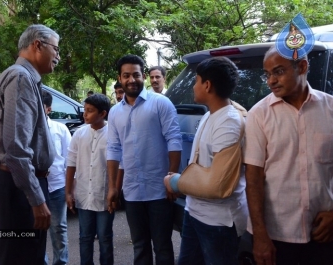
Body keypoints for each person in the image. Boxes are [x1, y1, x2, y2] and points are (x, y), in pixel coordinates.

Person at [244, 46, 333, 264]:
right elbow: (253, 179)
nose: (271, 81)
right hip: (276, 235)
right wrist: (260, 236)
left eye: (278, 71)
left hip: (323, 232)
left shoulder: (330, 109)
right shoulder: (259, 114)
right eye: (267, 74)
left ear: (302, 67)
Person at [164, 57, 248, 265]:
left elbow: (218, 184)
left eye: (196, 81)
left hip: (218, 222)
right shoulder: (211, 115)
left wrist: (176, 182)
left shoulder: (228, 122)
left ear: (207, 85)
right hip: (195, 213)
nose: (193, 86)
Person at [0, 24, 59, 265]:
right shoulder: (20, 78)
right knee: (20, 257)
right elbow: (17, 150)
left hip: (17, 183)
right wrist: (36, 199)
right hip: (20, 188)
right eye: (56, 49)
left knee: (26, 256)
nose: (58, 56)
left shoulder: (21, 77)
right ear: (38, 45)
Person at [107, 54, 182, 265]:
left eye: (136, 75)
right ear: (120, 78)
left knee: (163, 246)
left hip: (159, 190)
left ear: (143, 76)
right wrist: (113, 187)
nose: (132, 80)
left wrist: (171, 179)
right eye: (126, 75)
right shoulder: (114, 113)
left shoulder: (161, 104)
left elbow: (174, 140)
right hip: (132, 192)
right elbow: (113, 149)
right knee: (139, 246)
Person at [66, 93, 113, 265]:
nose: (85, 114)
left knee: (105, 237)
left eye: (90, 111)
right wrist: (68, 191)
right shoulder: (79, 134)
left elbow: (117, 165)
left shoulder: (112, 134)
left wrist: (115, 191)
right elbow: (71, 163)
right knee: (85, 237)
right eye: (84, 110)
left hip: (104, 194)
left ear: (103, 113)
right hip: (84, 193)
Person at [42, 90, 71, 265]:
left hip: (57, 186)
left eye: (41, 107)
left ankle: (61, 262)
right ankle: (41, 261)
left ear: (49, 109)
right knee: (38, 228)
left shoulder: (60, 129)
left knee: (58, 228)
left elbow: (69, 160)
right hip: (35, 187)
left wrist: (70, 189)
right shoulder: (26, 130)